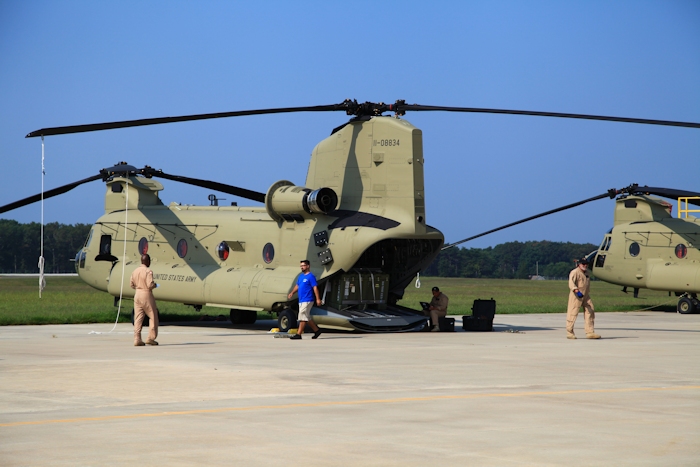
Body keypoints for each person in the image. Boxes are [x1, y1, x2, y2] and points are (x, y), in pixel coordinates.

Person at [287, 260, 322, 340]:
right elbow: (297, 286)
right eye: (301, 266)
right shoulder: (301, 276)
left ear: (308, 266)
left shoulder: (311, 276)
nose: (302, 267)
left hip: (308, 299)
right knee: (307, 317)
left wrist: (318, 299)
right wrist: (292, 292)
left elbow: (315, 288)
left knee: (302, 317)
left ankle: (298, 334)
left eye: (303, 266)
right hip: (301, 300)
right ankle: (317, 331)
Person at [566, 257, 600, 339]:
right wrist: (576, 290)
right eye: (583, 264)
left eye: (586, 264)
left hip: (585, 295)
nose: (585, 265)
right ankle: (569, 332)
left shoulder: (587, 273)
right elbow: (571, 282)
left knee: (590, 310)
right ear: (579, 264)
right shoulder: (575, 272)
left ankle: (590, 332)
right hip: (576, 295)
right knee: (573, 313)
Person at [130, 253, 159, 346]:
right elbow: (150, 285)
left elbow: (131, 284)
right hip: (146, 293)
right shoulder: (148, 271)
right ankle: (151, 337)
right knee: (153, 315)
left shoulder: (135, 271)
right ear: (147, 261)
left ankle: (137, 339)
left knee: (138, 318)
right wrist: (155, 285)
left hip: (137, 294)